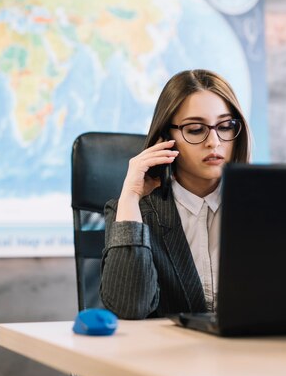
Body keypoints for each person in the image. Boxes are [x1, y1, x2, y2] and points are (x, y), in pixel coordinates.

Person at [99, 69, 251, 319]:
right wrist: (130, 197)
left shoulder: (260, 207)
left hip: (252, 353)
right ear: (165, 138)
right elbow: (129, 307)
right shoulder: (137, 213)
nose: (214, 141)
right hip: (167, 356)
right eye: (195, 129)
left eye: (225, 126)